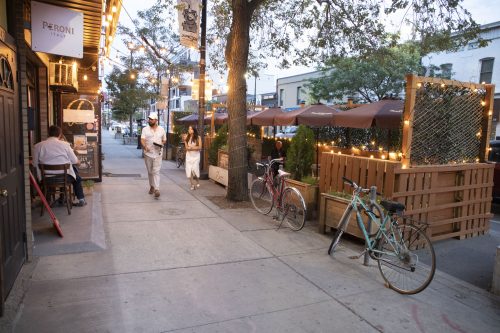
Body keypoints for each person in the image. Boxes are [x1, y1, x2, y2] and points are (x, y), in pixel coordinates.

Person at [32, 125, 87, 207]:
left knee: (63, 175)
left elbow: (34, 163)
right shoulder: (65, 145)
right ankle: (81, 199)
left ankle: (48, 200)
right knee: (76, 177)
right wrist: (78, 162)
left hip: (46, 179)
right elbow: (74, 160)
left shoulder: (38, 146)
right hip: (65, 178)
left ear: (48, 134)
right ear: (60, 134)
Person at [141, 113, 166, 198]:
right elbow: (142, 139)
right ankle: (152, 186)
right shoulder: (145, 129)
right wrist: (145, 146)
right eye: (149, 119)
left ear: (156, 120)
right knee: (150, 171)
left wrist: (161, 144)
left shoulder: (162, 129)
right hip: (148, 153)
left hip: (158, 153)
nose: (150, 120)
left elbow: (164, 140)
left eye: (151, 119)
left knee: (156, 171)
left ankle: (157, 189)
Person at [183, 126, 202, 190]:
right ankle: (192, 185)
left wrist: (191, 148)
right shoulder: (187, 138)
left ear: (193, 130)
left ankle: (197, 181)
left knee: (194, 169)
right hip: (189, 156)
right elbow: (186, 148)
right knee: (189, 170)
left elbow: (200, 147)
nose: (189, 130)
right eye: (188, 129)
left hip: (196, 156)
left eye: (190, 129)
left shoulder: (198, 137)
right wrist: (193, 148)